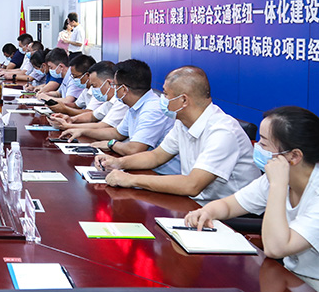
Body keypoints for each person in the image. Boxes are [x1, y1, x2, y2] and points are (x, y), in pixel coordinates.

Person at [185, 106, 319, 292]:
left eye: (264, 143)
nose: (257, 146)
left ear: (294, 156)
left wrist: (277, 186)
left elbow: (276, 248)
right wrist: (207, 211)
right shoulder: (277, 178)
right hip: (290, 277)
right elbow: (229, 205)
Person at [95, 66, 260, 203]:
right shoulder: (182, 123)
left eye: (166, 94)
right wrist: (118, 163)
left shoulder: (223, 131)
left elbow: (192, 185)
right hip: (196, 204)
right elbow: (156, 157)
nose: (162, 98)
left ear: (184, 100)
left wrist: (130, 180)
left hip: (230, 216)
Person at [62, 59, 179, 175]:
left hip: (160, 174)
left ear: (123, 89)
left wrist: (111, 144)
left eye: (114, 85)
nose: (113, 88)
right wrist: (82, 131)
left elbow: (134, 149)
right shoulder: (134, 105)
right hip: (142, 168)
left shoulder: (153, 109)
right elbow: (117, 133)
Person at [49, 61, 129, 132]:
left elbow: (103, 126)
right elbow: (92, 115)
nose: (93, 89)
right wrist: (71, 119)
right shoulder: (111, 101)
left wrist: (68, 125)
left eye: (94, 86)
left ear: (109, 83)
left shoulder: (122, 102)